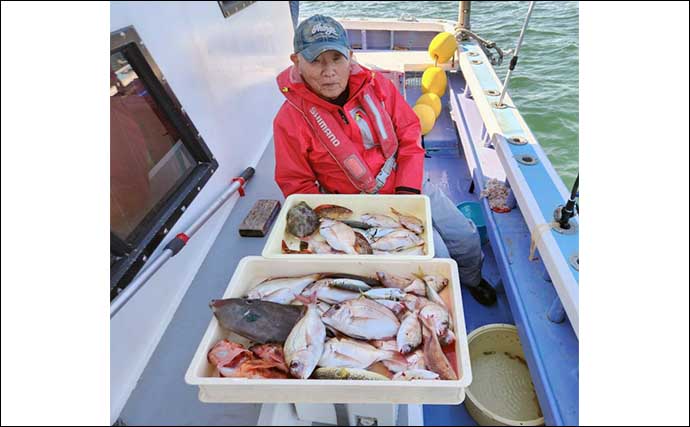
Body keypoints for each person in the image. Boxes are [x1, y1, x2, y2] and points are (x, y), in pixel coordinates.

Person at [272, 15, 496, 306]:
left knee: (464, 236)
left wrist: (408, 191)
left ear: (350, 57)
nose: (329, 72)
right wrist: (337, 226)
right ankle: (441, 302)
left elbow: (409, 133)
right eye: (316, 61)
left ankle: (472, 279)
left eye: (336, 59)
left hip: (409, 184)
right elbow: (296, 184)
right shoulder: (289, 120)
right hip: (358, 208)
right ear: (296, 61)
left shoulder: (378, 87)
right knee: (437, 254)